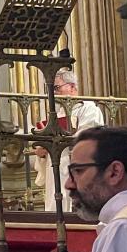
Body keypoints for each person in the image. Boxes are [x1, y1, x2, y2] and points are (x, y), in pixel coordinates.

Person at [34, 70, 105, 212]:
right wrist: (42, 151)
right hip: (55, 163)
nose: (53, 93)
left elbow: (88, 136)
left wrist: (60, 138)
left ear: (72, 87)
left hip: (76, 163)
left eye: (56, 88)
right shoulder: (56, 113)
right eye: (50, 89)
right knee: (55, 202)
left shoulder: (88, 108)